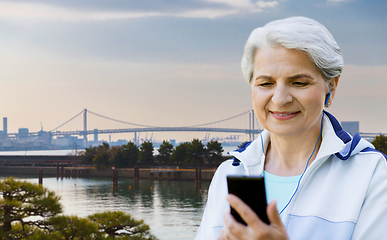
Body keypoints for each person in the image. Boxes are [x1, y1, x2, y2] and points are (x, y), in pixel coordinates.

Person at [195, 16, 387, 240]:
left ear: (331, 89)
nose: (280, 99)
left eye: (299, 82)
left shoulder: (372, 175)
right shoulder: (228, 173)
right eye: (266, 83)